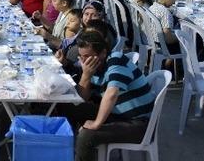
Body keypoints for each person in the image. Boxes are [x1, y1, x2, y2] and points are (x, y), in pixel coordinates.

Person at [62, 30, 157, 161]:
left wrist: (96, 124)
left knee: (87, 136)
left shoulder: (116, 60)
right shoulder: (94, 66)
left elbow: (112, 93)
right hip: (116, 115)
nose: (83, 61)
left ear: (103, 53)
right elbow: (81, 99)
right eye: (81, 56)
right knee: (68, 106)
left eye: (87, 56)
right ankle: (73, 149)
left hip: (138, 124)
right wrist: (86, 76)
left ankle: (82, 148)